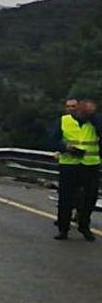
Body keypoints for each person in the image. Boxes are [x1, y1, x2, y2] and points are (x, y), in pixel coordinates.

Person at [52, 97, 99, 241]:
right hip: (69, 165)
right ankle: (63, 228)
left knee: (90, 198)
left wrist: (93, 117)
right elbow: (52, 140)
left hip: (90, 165)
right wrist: (66, 148)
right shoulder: (64, 121)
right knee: (65, 199)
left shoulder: (95, 122)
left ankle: (84, 225)